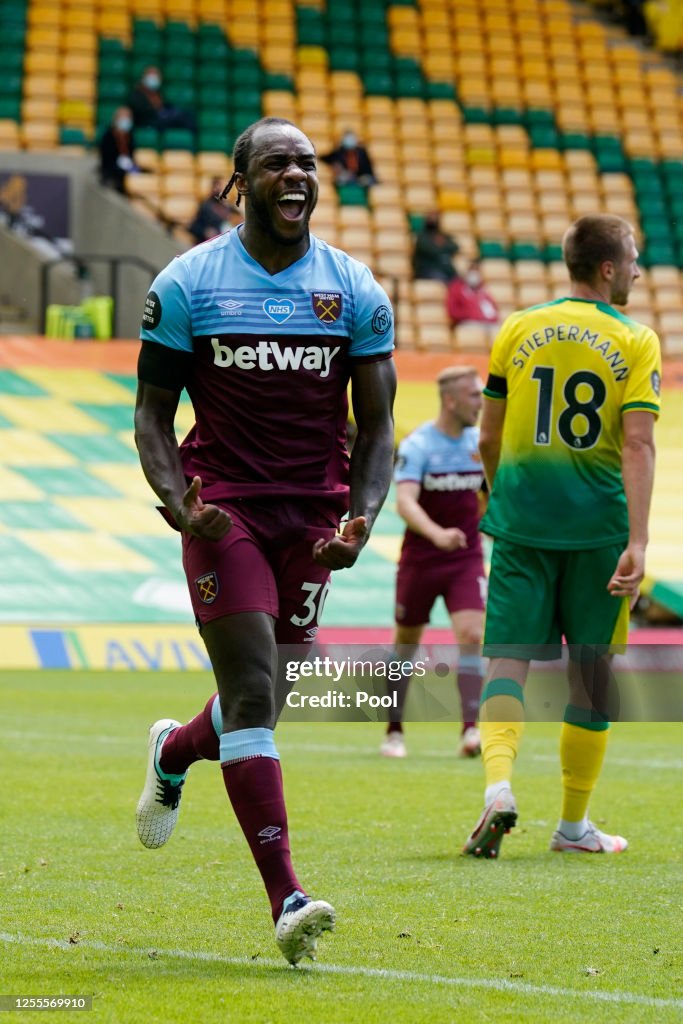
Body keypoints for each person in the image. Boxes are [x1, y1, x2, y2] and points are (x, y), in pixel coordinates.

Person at [133, 117, 396, 965]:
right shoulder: (189, 282)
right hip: (228, 510)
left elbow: (380, 426)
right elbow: (150, 413)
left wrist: (362, 517)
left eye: (308, 163)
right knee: (252, 695)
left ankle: (175, 749)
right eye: (279, 162)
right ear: (240, 181)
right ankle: (288, 897)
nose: (298, 174)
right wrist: (181, 507)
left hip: (314, 518)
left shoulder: (353, 288)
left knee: (271, 695)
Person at [462, 214, 661, 859]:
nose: (637, 270)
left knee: (508, 663)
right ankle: (574, 826)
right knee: (592, 676)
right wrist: (638, 539)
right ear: (608, 268)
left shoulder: (517, 328)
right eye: (632, 260)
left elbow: (487, 436)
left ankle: (498, 787)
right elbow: (638, 442)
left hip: (521, 524)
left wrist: (504, 494)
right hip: (599, 529)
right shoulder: (636, 340)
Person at [380, 366, 487, 760]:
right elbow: (405, 501)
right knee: (406, 644)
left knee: (473, 635)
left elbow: (493, 491)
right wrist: (437, 533)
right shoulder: (419, 444)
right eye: (474, 395)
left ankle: (471, 730)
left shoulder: (480, 443)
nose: (481, 402)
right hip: (421, 560)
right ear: (451, 400)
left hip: (465, 558)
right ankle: (394, 730)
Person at [127, 65, 196, 133]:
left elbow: (165, 105)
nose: (153, 78)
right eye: (151, 74)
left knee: (186, 114)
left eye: (156, 74)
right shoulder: (137, 94)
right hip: (148, 122)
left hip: (161, 119)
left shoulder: (158, 93)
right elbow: (141, 111)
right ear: (143, 77)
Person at [98, 106, 141, 194]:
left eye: (128, 117)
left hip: (127, 169)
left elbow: (131, 155)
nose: (126, 120)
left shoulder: (130, 137)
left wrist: (132, 166)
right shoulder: (108, 136)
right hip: (112, 171)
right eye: (123, 117)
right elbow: (106, 159)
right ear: (116, 119)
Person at [446, 259, 499, 329]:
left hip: (487, 323)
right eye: (472, 270)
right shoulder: (457, 288)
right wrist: (470, 315)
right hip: (468, 322)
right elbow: (453, 310)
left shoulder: (483, 290)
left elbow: (493, 310)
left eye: (477, 270)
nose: (474, 274)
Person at [188, 177, 242, 244]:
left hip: (227, 240)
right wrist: (205, 231)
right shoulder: (205, 206)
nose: (218, 189)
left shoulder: (227, 206)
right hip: (211, 241)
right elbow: (194, 227)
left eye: (220, 186)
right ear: (212, 188)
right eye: (215, 186)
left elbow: (239, 217)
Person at [412, 211, 459, 283]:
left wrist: (440, 245)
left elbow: (455, 247)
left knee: (459, 282)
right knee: (442, 280)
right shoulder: (422, 236)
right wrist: (442, 246)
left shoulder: (442, 235)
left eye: (435, 218)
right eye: (431, 218)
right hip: (427, 271)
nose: (433, 220)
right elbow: (431, 250)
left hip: (445, 269)